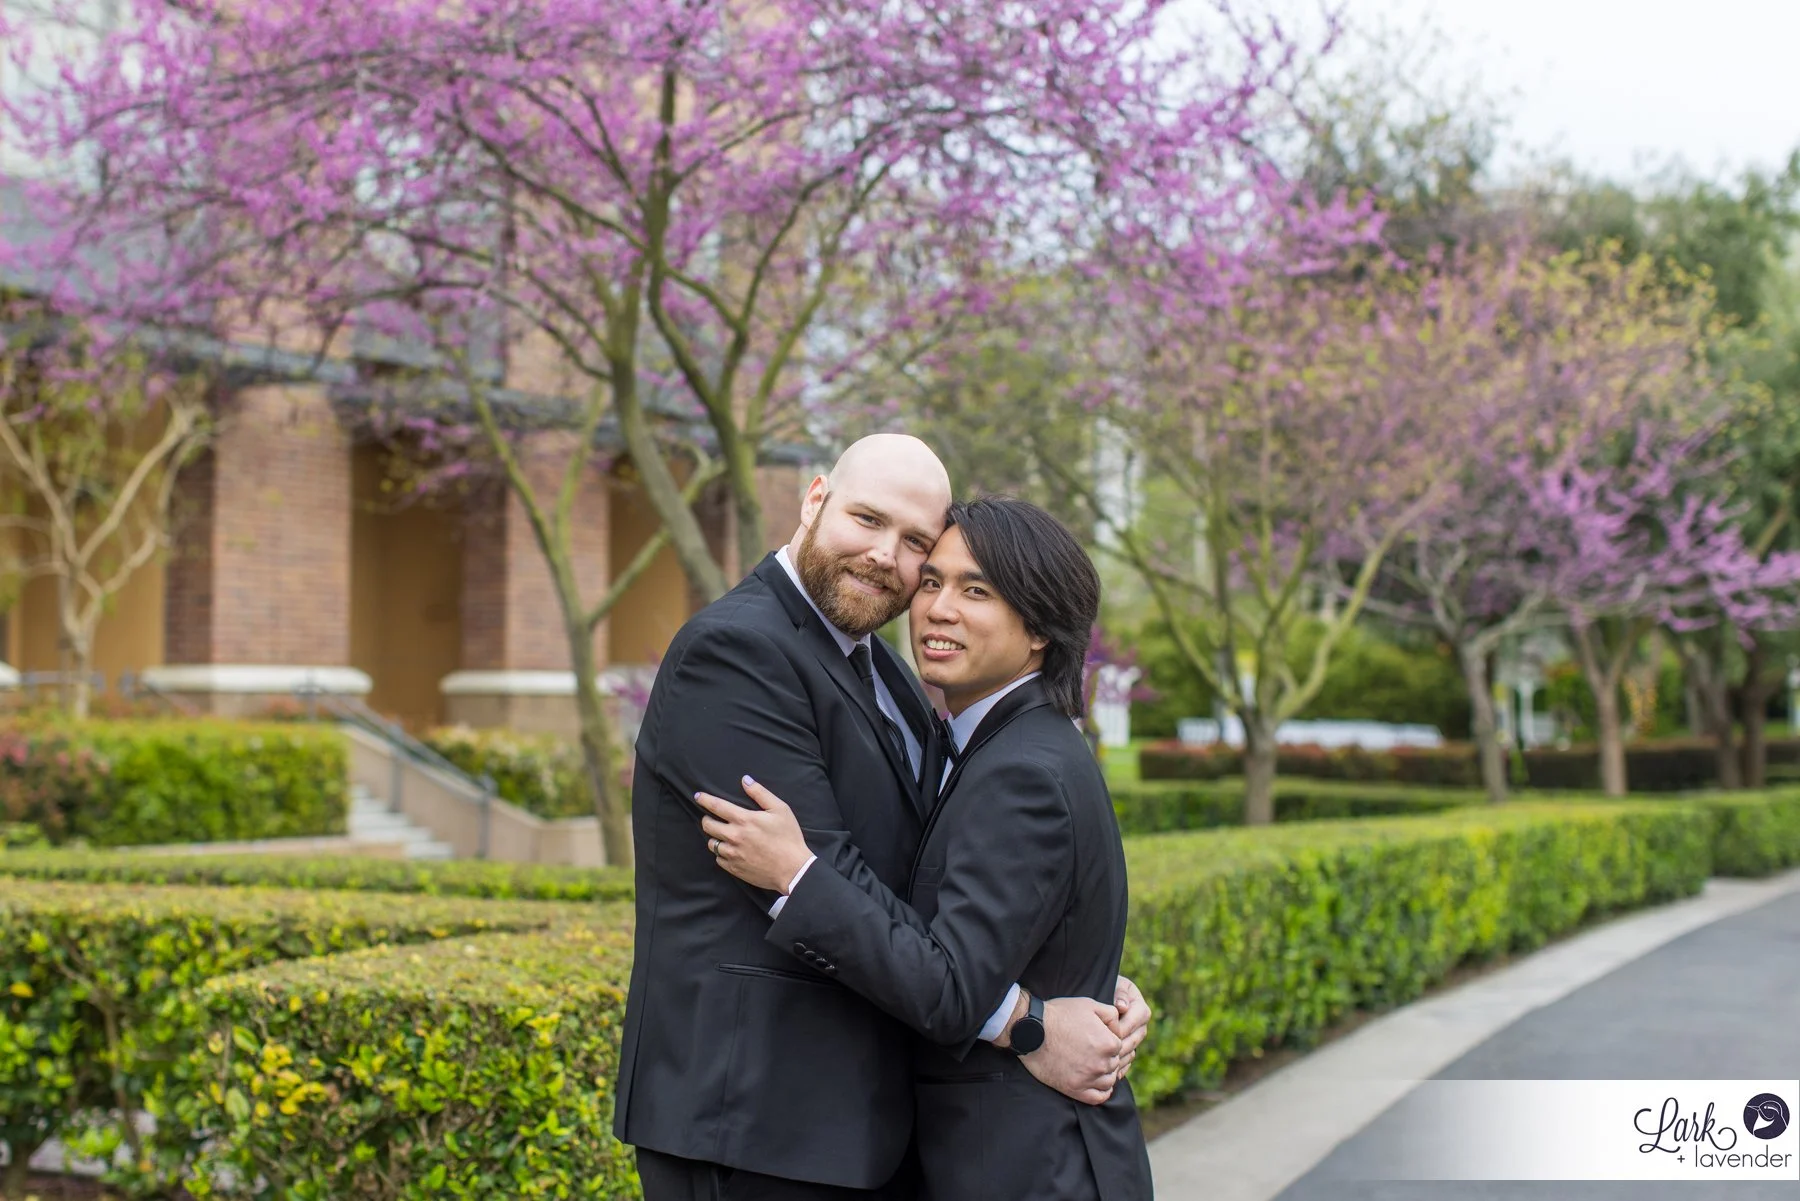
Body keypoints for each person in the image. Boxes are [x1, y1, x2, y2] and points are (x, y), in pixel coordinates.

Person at [613, 437, 1150, 1201]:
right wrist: (1026, 1019)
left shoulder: (886, 668)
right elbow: (826, 877)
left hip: (856, 1122)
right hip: (755, 1116)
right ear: (814, 500)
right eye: (866, 519)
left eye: (914, 546)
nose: (883, 557)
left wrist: (1077, 967)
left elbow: (942, 871)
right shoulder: (738, 651)